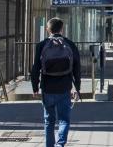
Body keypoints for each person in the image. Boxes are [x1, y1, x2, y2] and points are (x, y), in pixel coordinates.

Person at [30, 18, 82, 147]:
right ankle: (60, 144)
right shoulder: (70, 44)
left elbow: (36, 68)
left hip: (47, 88)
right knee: (64, 119)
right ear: (62, 29)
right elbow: (77, 68)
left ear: (48, 29)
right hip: (65, 87)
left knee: (49, 121)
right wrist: (77, 88)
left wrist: (35, 87)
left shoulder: (41, 45)